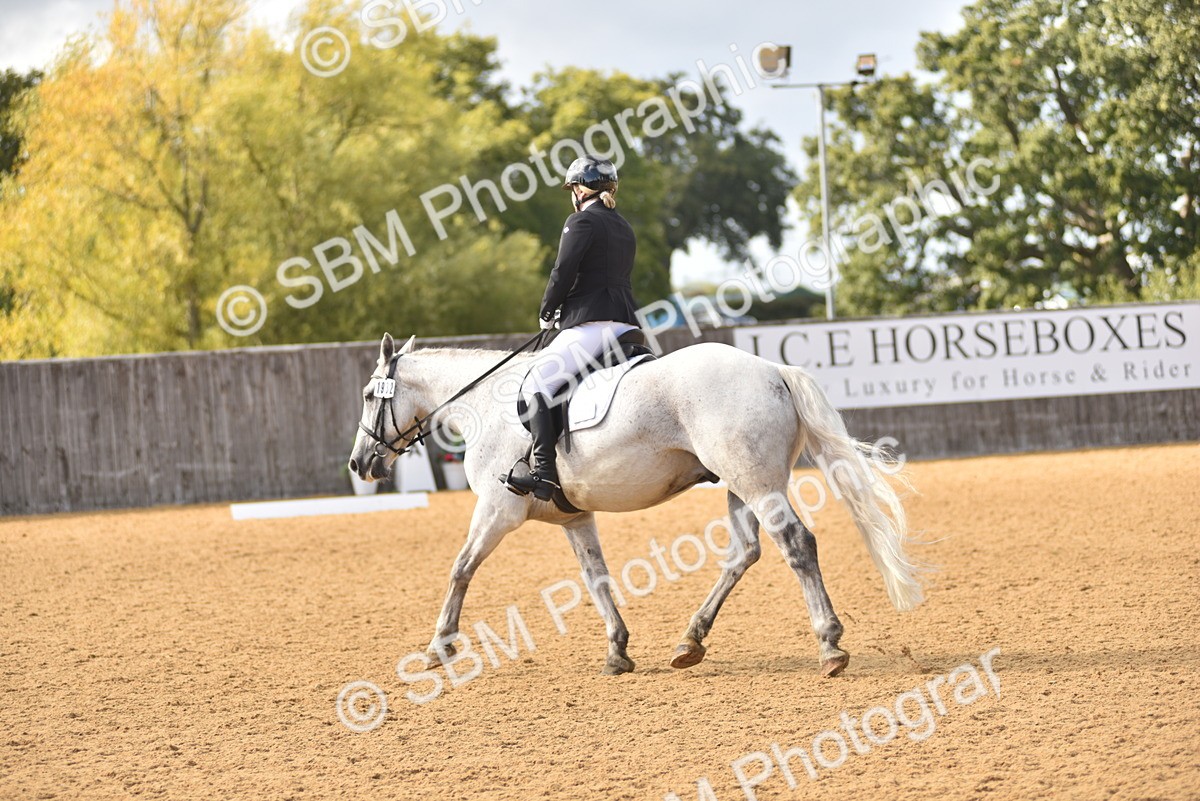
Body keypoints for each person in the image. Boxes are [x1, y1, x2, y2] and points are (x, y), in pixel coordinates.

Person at [506, 154, 641, 500]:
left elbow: (563, 271)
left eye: (573, 188)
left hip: (589, 323)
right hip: (626, 325)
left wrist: (548, 310)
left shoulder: (580, 222)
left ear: (581, 190)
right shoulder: (623, 225)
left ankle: (545, 474)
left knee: (537, 382)